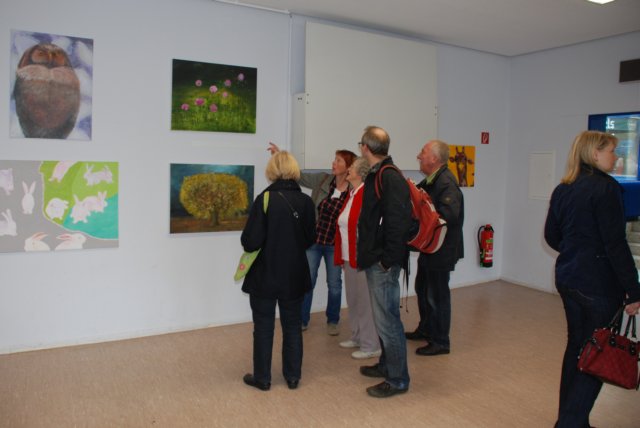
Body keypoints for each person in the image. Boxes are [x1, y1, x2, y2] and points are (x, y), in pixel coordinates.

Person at [544, 130, 640, 427]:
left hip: (569, 278)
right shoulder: (606, 189)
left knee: (577, 347)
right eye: (612, 150)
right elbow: (615, 244)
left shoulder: (564, 188)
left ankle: (573, 420)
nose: (616, 157)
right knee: (596, 353)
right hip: (597, 284)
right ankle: (570, 423)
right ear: (595, 154)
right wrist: (634, 289)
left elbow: (552, 236)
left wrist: (577, 250)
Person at [240, 151, 317, 391]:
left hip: (265, 275)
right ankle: (293, 377)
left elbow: (250, 242)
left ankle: (262, 378)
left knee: (263, 327)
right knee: (293, 326)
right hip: (294, 274)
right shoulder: (305, 201)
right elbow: (310, 239)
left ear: (272, 170)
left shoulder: (264, 199)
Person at [268, 142, 357, 335]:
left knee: (334, 284)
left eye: (338, 161)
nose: (333, 163)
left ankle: (333, 320)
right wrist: (279, 156)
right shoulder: (323, 179)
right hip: (314, 241)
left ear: (348, 166)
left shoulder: (354, 189)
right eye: (334, 159)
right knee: (308, 281)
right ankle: (302, 319)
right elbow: (297, 175)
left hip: (335, 245)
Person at [356, 126, 413, 398]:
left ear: (365, 148)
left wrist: (387, 261)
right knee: (382, 320)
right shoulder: (378, 174)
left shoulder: (389, 177)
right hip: (376, 258)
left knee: (389, 322)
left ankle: (398, 379)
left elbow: (398, 223)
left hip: (383, 263)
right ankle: (386, 365)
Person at [405, 140, 464, 356]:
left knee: (437, 295)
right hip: (430, 248)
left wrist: (422, 221)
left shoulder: (446, 183)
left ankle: (441, 341)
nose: (419, 156)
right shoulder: (431, 181)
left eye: (423, 152)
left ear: (434, 158)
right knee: (423, 288)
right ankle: (426, 329)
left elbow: (448, 216)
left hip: (442, 249)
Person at [334, 156, 381, 360]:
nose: (348, 169)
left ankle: (371, 345)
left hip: (361, 257)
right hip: (348, 256)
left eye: (352, 167)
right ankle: (357, 335)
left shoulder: (366, 194)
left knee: (365, 302)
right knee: (353, 299)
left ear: (361, 173)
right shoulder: (351, 194)